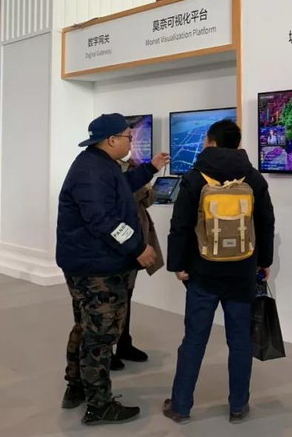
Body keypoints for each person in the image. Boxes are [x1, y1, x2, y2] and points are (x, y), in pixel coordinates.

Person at [55, 113, 169, 426]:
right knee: (100, 336)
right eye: (129, 137)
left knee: (86, 327)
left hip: (92, 262)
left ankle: (77, 386)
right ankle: (99, 405)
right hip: (96, 268)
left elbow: (121, 187)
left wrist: (149, 168)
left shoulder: (101, 165)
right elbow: (103, 221)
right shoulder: (92, 171)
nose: (132, 142)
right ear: (111, 140)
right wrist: (138, 247)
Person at [164, 119, 275, 425]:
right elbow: (266, 223)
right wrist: (263, 261)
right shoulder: (253, 177)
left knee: (194, 340)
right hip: (242, 270)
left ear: (211, 142)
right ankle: (238, 406)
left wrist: (178, 265)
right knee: (239, 340)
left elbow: (180, 226)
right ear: (237, 144)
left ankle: (181, 406)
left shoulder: (194, 177)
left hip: (202, 271)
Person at [111, 165, 165, 371]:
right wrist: (141, 186)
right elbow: (123, 202)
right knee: (114, 300)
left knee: (127, 295)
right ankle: (107, 349)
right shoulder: (108, 171)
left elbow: (148, 200)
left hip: (135, 242)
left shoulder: (133, 168)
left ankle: (123, 343)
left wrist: (145, 186)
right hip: (119, 244)